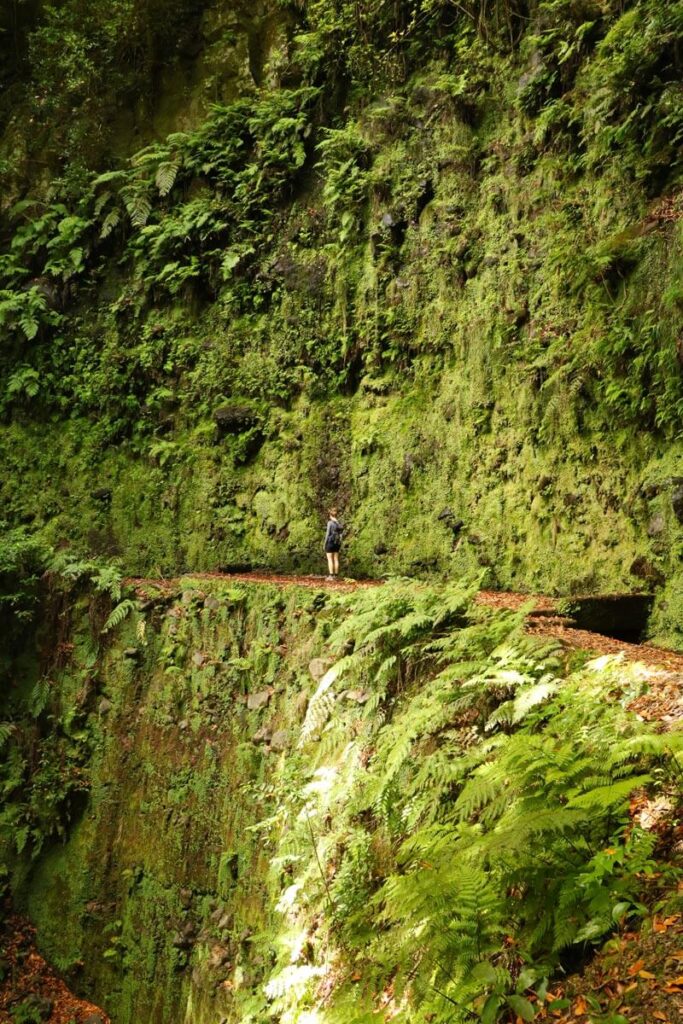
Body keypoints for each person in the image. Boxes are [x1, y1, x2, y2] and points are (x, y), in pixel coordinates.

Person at [323, 508, 344, 579]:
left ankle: (331, 575)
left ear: (330, 515)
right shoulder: (339, 523)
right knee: (336, 558)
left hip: (330, 542)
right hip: (337, 543)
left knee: (330, 559)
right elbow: (341, 532)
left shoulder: (330, 523)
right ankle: (336, 575)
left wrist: (324, 544)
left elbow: (327, 534)